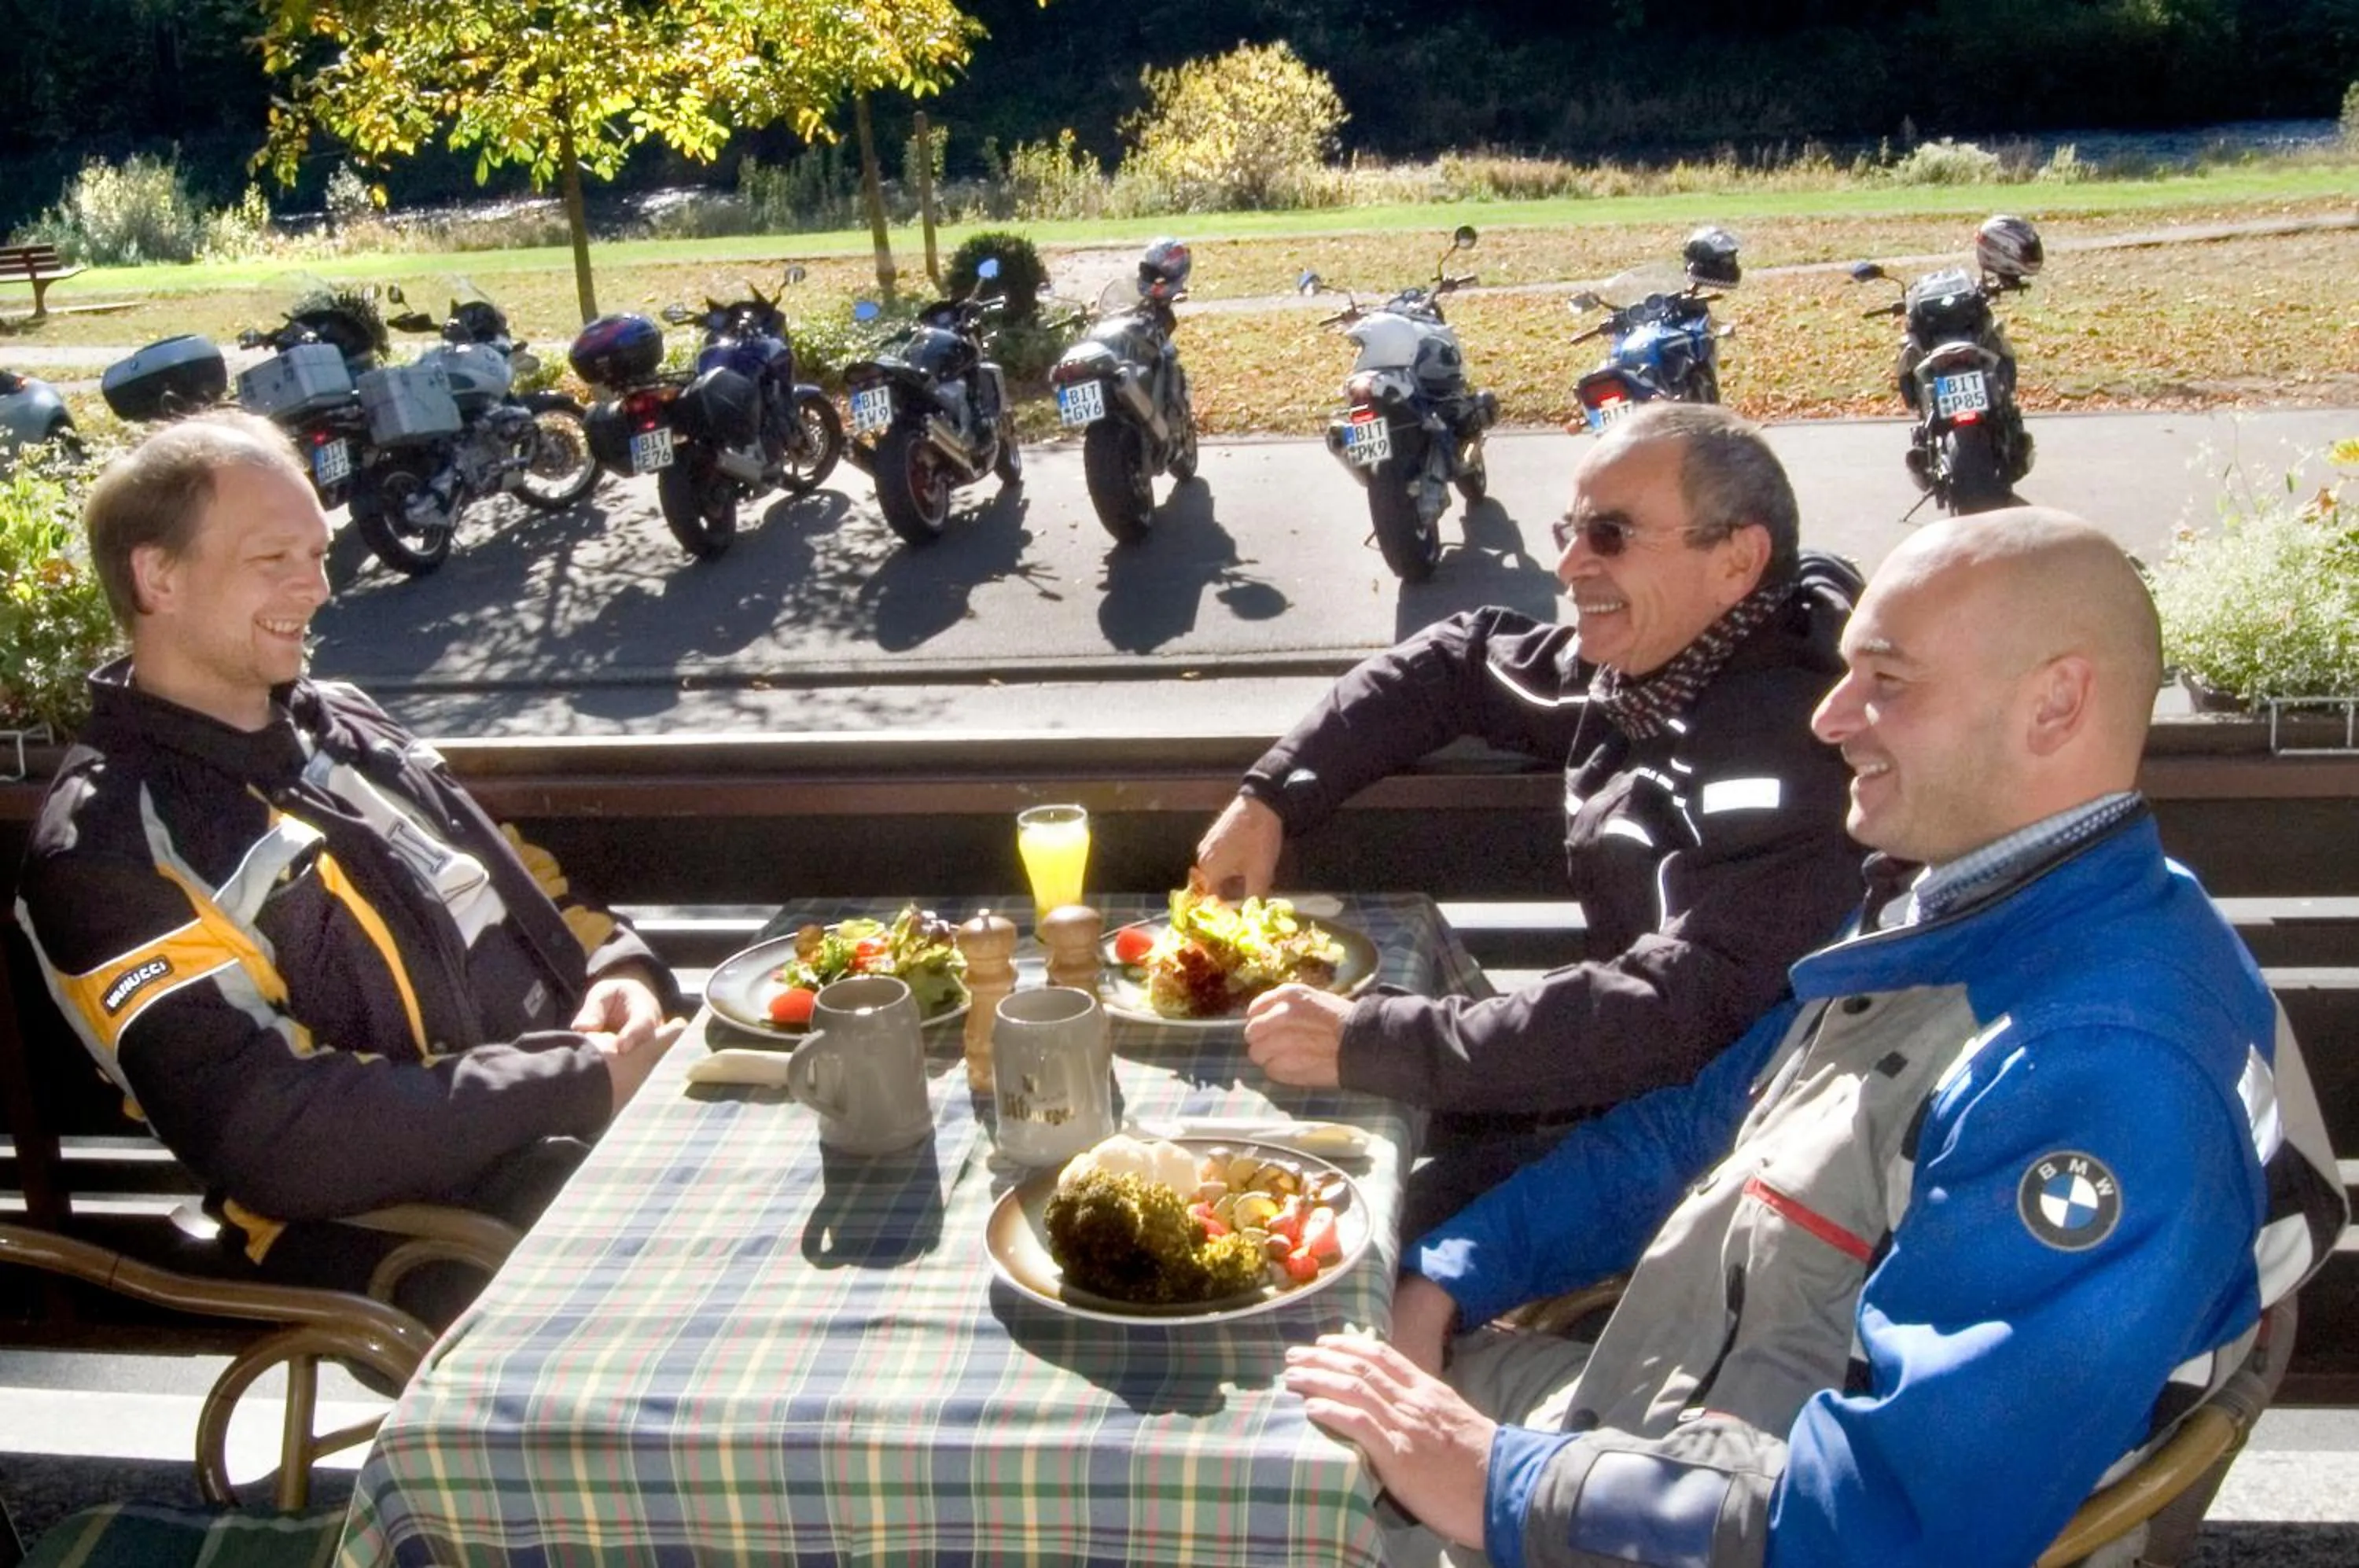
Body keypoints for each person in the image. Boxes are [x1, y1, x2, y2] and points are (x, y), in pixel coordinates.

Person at [1281, 510, 2349, 1568]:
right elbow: (1705, 1126)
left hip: (1733, 1499)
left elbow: (1899, 1521)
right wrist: (1450, 1276)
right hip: (1678, 1403)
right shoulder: (1962, 901)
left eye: (1888, 680)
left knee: (1272, 1468)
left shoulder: (2098, 1071)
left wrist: (1495, 1480)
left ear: (2056, 703)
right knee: (1292, 1371)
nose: (1832, 718)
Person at [13, 410, 683, 1300]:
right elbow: (274, 1133)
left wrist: (619, 971)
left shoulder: (344, 716)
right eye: (273, 560)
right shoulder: (102, 850)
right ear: (157, 575)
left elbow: (527, 889)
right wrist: (576, 1082)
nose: (317, 586)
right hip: (408, 1229)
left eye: (318, 554)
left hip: (569, 1132)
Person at [1195, 403, 1862, 1232]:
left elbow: (1674, 1006)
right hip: (1596, 1089)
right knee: (1244, 1154)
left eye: (1611, 535)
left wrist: (1380, 1039)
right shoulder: (1643, 670)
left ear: (1737, 560)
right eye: (1568, 530)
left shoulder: (1798, 749)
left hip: (1707, 1159)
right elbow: (1460, 659)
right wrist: (1270, 797)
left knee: (1315, 1226)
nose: (1570, 563)